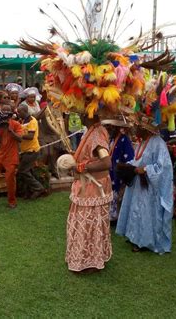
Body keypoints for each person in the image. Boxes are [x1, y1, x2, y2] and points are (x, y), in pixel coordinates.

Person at [116, 115, 174, 254]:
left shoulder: (158, 142)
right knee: (135, 210)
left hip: (149, 187)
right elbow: (137, 160)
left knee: (144, 212)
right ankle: (134, 236)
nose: (134, 129)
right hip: (138, 184)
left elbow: (164, 167)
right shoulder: (143, 142)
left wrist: (146, 169)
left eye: (137, 127)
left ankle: (144, 241)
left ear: (145, 129)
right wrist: (128, 166)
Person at [64, 113, 113, 272]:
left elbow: (106, 162)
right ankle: (87, 257)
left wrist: (80, 167)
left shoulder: (97, 134)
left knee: (88, 222)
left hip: (92, 186)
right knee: (87, 221)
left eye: (81, 111)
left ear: (90, 113)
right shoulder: (93, 129)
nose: (79, 115)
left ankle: (90, 260)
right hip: (89, 184)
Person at [102, 118, 134, 223]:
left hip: (119, 172)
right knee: (111, 193)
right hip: (111, 172)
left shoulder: (124, 139)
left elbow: (130, 158)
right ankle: (112, 214)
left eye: (110, 126)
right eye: (107, 126)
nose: (108, 129)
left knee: (118, 194)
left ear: (116, 128)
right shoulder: (111, 139)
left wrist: (123, 172)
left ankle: (116, 216)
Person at [16, 104, 46, 199]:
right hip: (25, 150)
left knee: (23, 171)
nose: (18, 113)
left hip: (32, 150)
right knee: (28, 171)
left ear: (24, 111)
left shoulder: (32, 121)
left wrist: (17, 135)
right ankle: (30, 191)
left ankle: (38, 188)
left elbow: (30, 136)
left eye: (19, 112)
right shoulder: (23, 120)